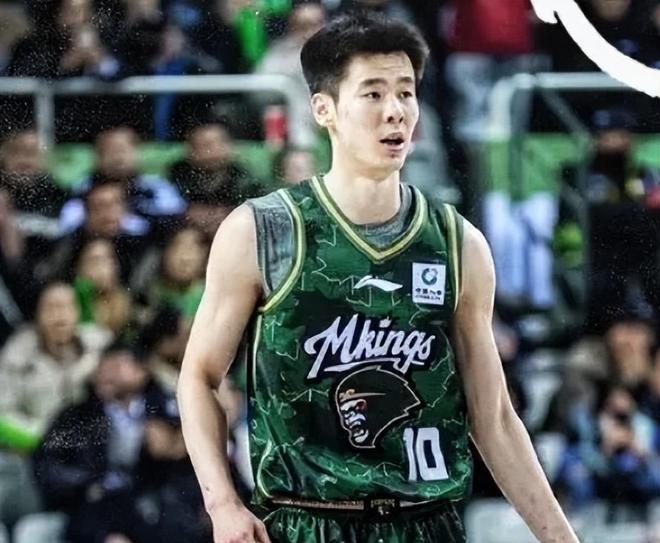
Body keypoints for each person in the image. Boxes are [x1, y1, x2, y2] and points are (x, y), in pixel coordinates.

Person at [177, 12, 579, 543]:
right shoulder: (262, 230)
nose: (396, 110)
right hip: (306, 521)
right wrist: (222, 503)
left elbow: (496, 419)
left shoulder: (457, 243)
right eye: (372, 93)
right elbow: (200, 377)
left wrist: (561, 539)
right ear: (324, 109)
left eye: (406, 93)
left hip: (427, 522)